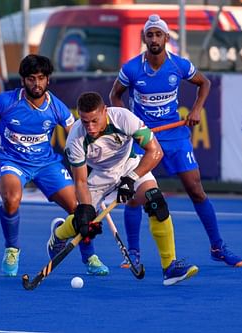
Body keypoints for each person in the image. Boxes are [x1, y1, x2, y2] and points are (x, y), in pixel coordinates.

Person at [109, 14, 242, 268]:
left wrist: (195, 110)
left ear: (166, 38)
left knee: (196, 189)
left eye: (158, 34)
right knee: (137, 196)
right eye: (150, 35)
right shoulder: (131, 68)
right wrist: (127, 123)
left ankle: (218, 247)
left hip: (175, 136)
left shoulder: (179, 65)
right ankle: (134, 253)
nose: (154, 39)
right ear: (145, 39)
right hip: (143, 138)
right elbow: (114, 95)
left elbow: (203, 83)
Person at [0, 54, 109, 277]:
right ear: (22, 80)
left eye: (41, 78)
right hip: (12, 161)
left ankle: (89, 256)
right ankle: (12, 248)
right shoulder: (4, 102)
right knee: (11, 199)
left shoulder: (57, 108)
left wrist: (96, 159)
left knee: (80, 209)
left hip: (46, 164)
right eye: (31, 78)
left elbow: (77, 135)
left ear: (48, 79)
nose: (36, 83)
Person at [47, 91, 198, 286]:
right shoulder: (75, 139)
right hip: (100, 175)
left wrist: (131, 178)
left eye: (94, 120)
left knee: (156, 201)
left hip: (130, 166)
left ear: (105, 111)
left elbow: (156, 151)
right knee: (82, 219)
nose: (90, 128)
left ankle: (170, 268)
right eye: (85, 122)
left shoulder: (123, 118)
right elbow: (81, 182)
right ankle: (59, 234)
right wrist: (85, 210)